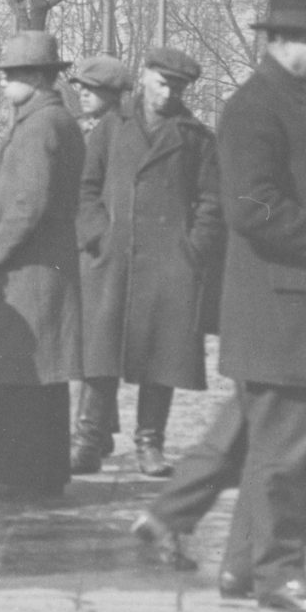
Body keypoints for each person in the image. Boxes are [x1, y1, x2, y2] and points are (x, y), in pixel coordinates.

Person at [138, 0, 306, 612]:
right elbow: (251, 209)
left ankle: (245, 568)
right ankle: (279, 574)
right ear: (273, 41)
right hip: (281, 309)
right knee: (286, 456)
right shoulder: (255, 108)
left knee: (273, 445)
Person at [73, 47, 224, 478]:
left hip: (169, 264)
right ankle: (87, 440)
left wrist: (193, 249)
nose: (168, 93)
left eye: (177, 87)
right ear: (144, 77)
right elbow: (85, 188)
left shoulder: (195, 137)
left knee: (163, 356)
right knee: (100, 353)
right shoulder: (111, 127)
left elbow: (213, 202)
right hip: (113, 256)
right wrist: (96, 233)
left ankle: (149, 444)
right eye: (162, 83)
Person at [0, 30, 85, 501]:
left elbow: (27, 205)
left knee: (19, 375)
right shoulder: (55, 120)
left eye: (11, 75)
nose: (3, 84)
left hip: (25, 274)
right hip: (44, 271)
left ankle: (13, 475)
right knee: (41, 376)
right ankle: (45, 473)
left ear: (35, 77)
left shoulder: (38, 127)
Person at [68, 55, 131, 138]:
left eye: (91, 87)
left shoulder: (125, 132)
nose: (84, 93)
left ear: (113, 91)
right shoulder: (78, 128)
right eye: (82, 87)